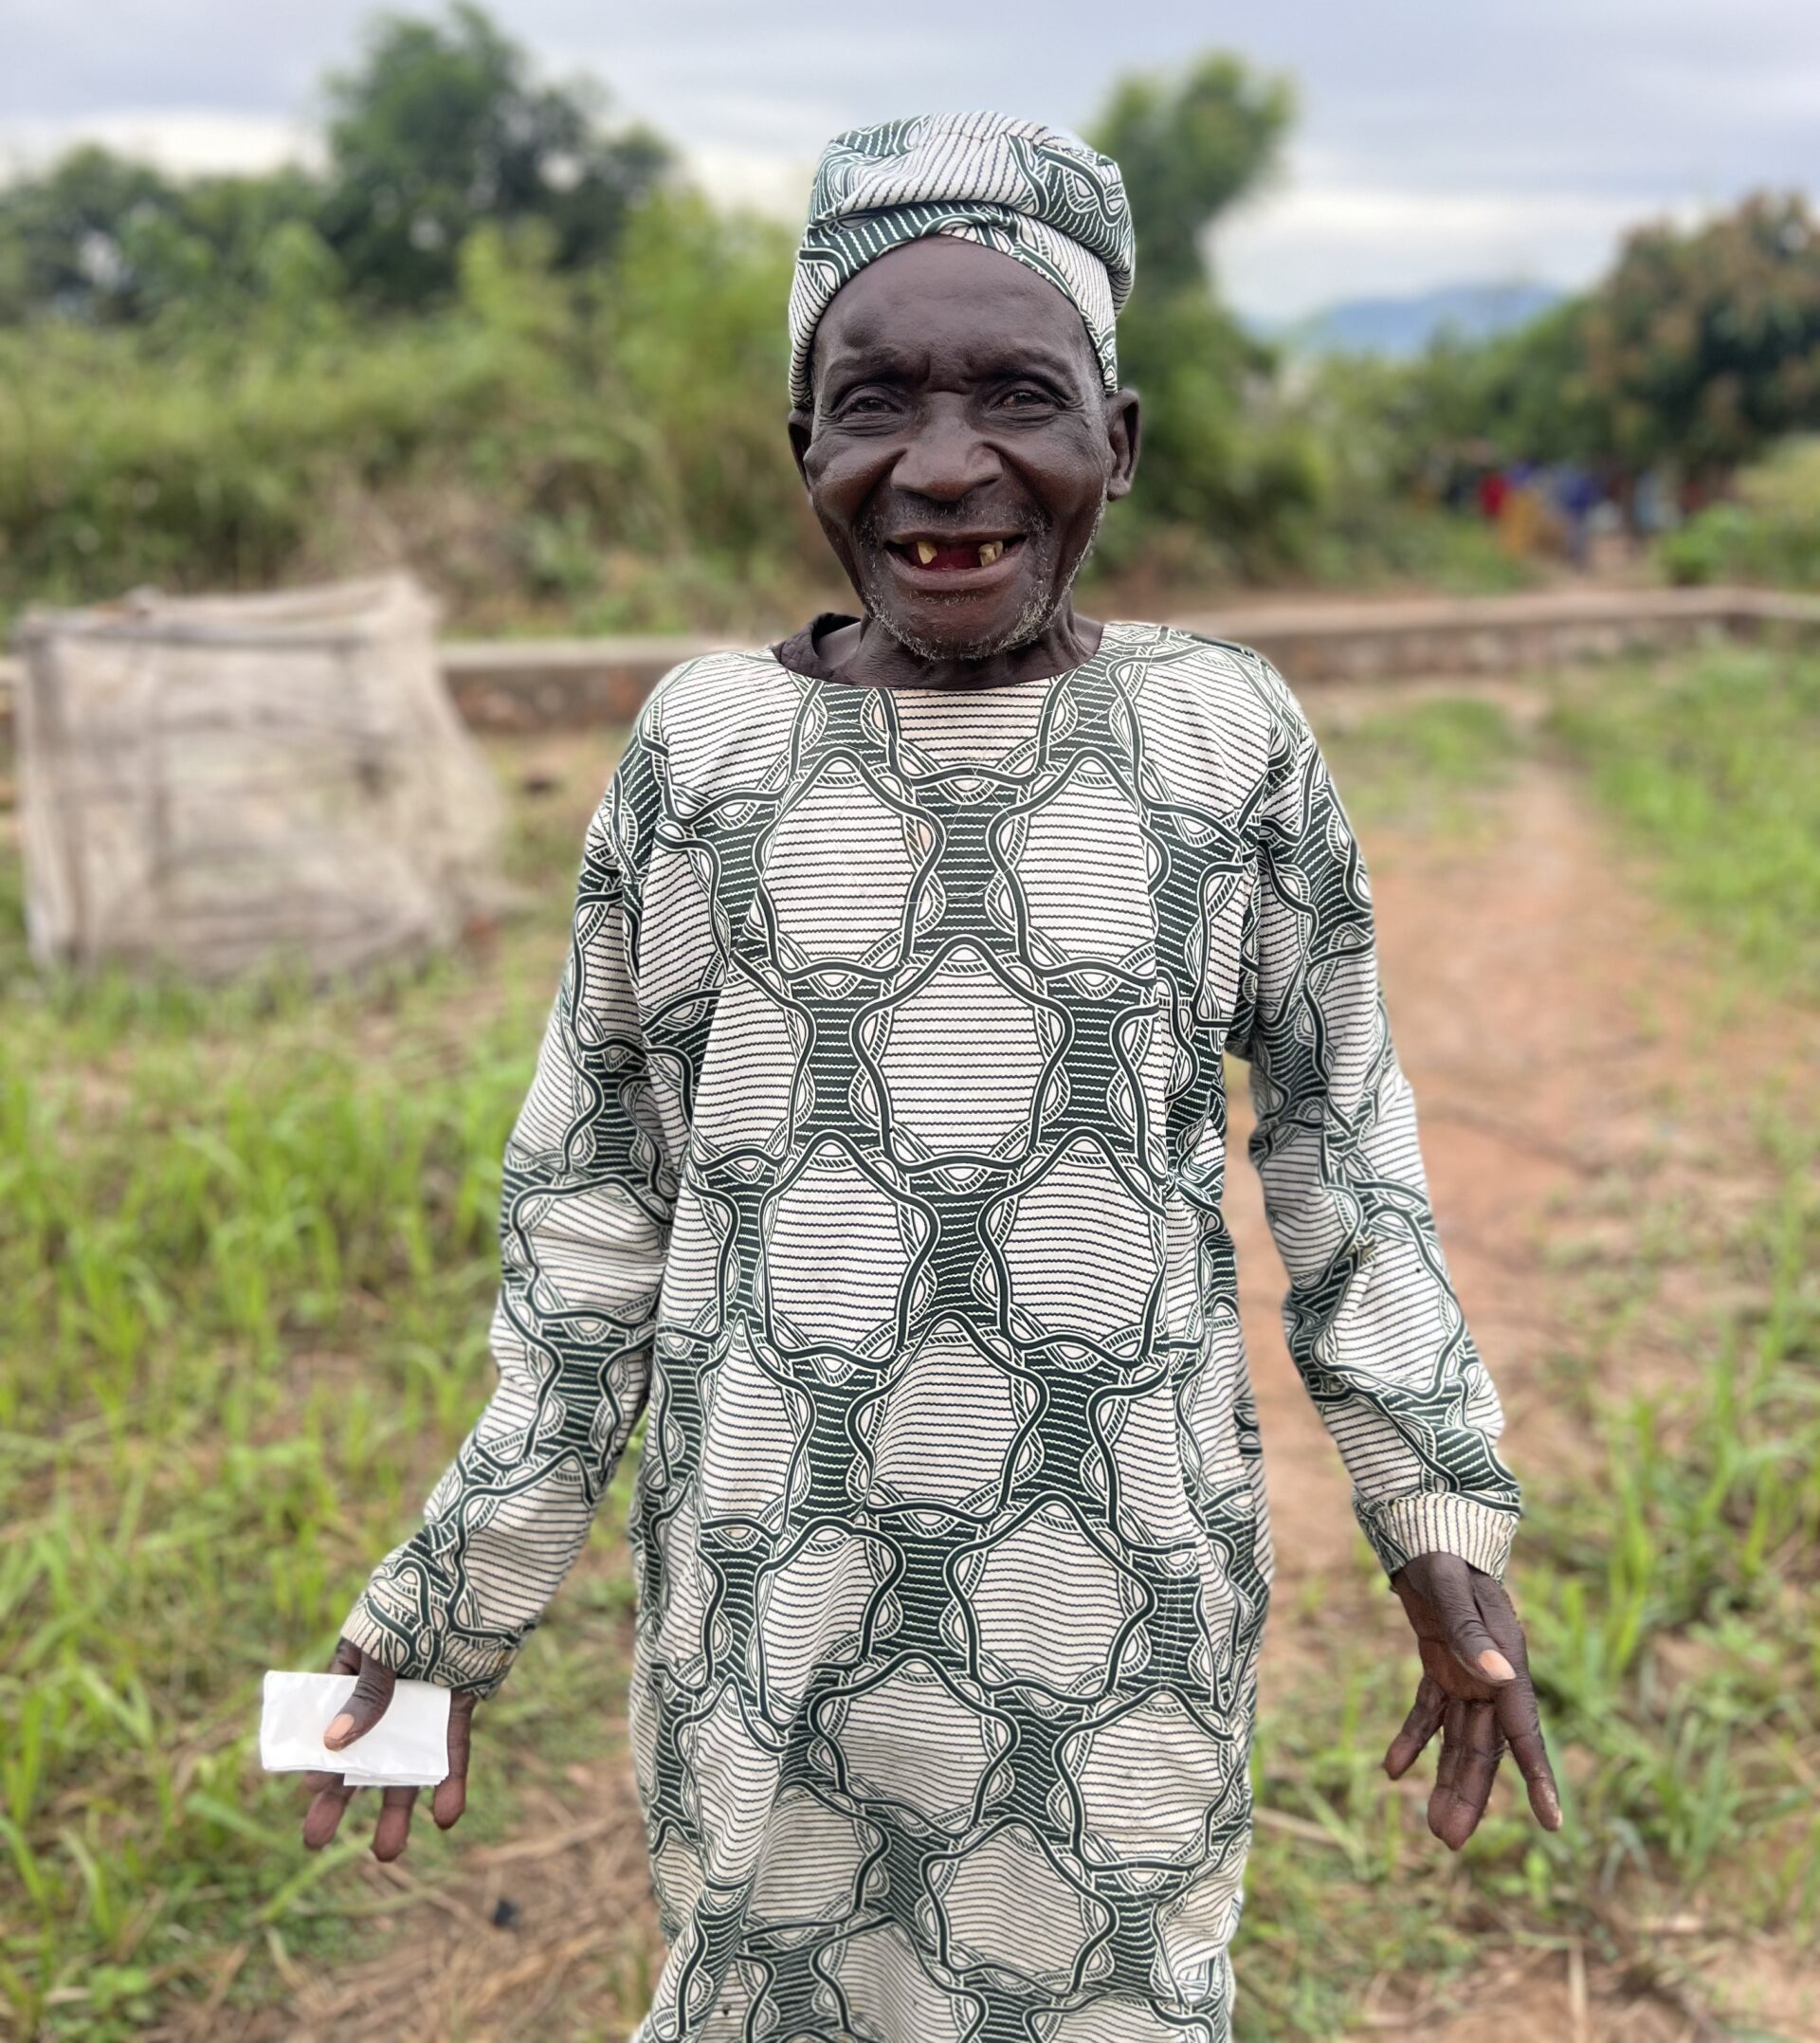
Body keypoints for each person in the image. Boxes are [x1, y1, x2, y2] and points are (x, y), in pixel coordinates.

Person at [301, 113, 1559, 2041]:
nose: (947, 466)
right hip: (765, 1609)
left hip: (1116, 1611)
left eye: (1020, 397)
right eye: (873, 399)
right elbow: (594, 1210)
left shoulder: (1221, 742)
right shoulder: (701, 757)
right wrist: (456, 1600)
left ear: (1117, 443)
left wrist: (1439, 1520)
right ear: (803, 442)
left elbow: (1342, 1153)